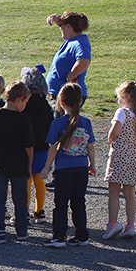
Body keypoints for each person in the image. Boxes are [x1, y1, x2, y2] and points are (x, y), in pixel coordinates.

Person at [40, 83, 96, 248]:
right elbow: (90, 146)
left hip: (64, 169)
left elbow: (52, 148)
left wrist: (46, 168)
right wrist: (92, 164)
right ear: (80, 101)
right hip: (81, 167)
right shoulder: (86, 123)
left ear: (61, 102)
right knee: (79, 202)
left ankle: (59, 236)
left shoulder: (58, 123)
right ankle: (82, 235)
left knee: (61, 203)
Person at [0, 81, 35, 244]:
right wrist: (29, 165)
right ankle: (22, 231)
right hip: (19, 165)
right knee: (20, 198)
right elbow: (29, 147)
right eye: (26, 102)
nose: (25, 105)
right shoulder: (24, 120)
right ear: (20, 99)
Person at [103, 81, 136, 240]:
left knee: (114, 192)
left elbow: (114, 132)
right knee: (130, 192)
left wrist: (111, 139)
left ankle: (113, 223)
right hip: (134, 158)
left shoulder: (121, 112)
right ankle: (131, 225)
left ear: (124, 97)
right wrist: (135, 145)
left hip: (119, 157)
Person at [22, 66, 53, 222]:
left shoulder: (24, 104)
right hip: (42, 146)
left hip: (26, 146)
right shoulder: (46, 106)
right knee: (39, 178)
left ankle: (24, 212)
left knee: (26, 178)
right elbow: (50, 125)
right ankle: (40, 210)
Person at [45, 11, 91, 106]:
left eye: (61, 25)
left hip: (69, 96)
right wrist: (57, 20)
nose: (60, 28)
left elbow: (84, 61)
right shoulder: (71, 40)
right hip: (59, 94)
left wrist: (71, 76)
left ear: (69, 26)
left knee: (61, 121)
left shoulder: (79, 43)